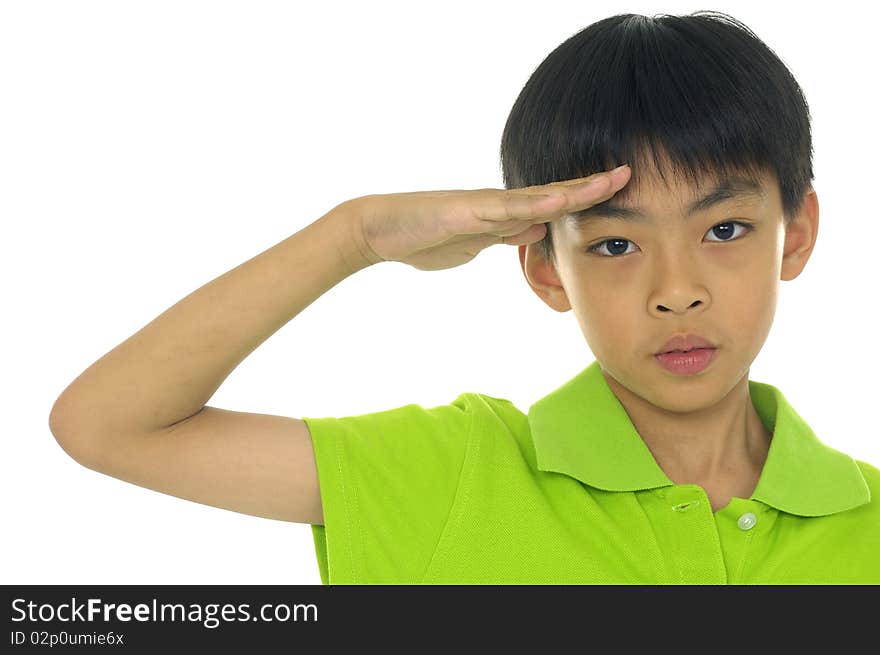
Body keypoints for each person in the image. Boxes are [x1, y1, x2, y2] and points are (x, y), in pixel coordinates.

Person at [48, 11, 879, 584]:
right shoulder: (455, 472)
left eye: (724, 230)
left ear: (795, 234)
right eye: (616, 244)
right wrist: (355, 236)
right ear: (547, 268)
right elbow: (107, 424)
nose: (676, 293)